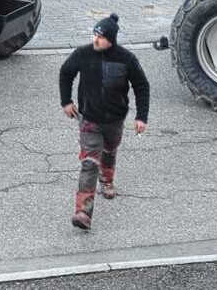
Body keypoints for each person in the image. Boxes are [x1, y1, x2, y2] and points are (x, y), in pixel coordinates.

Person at [59, 14, 150, 231]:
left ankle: (107, 181)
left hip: (115, 119)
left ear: (111, 39)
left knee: (109, 151)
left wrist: (141, 117)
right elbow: (65, 73)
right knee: (89, 163)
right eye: (94, 35)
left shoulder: (126, 59)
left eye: (100, 36)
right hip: (89, 119)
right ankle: (82, 212)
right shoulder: (82, 54)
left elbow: (142, 86)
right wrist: (66, 101)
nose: (95, 40)